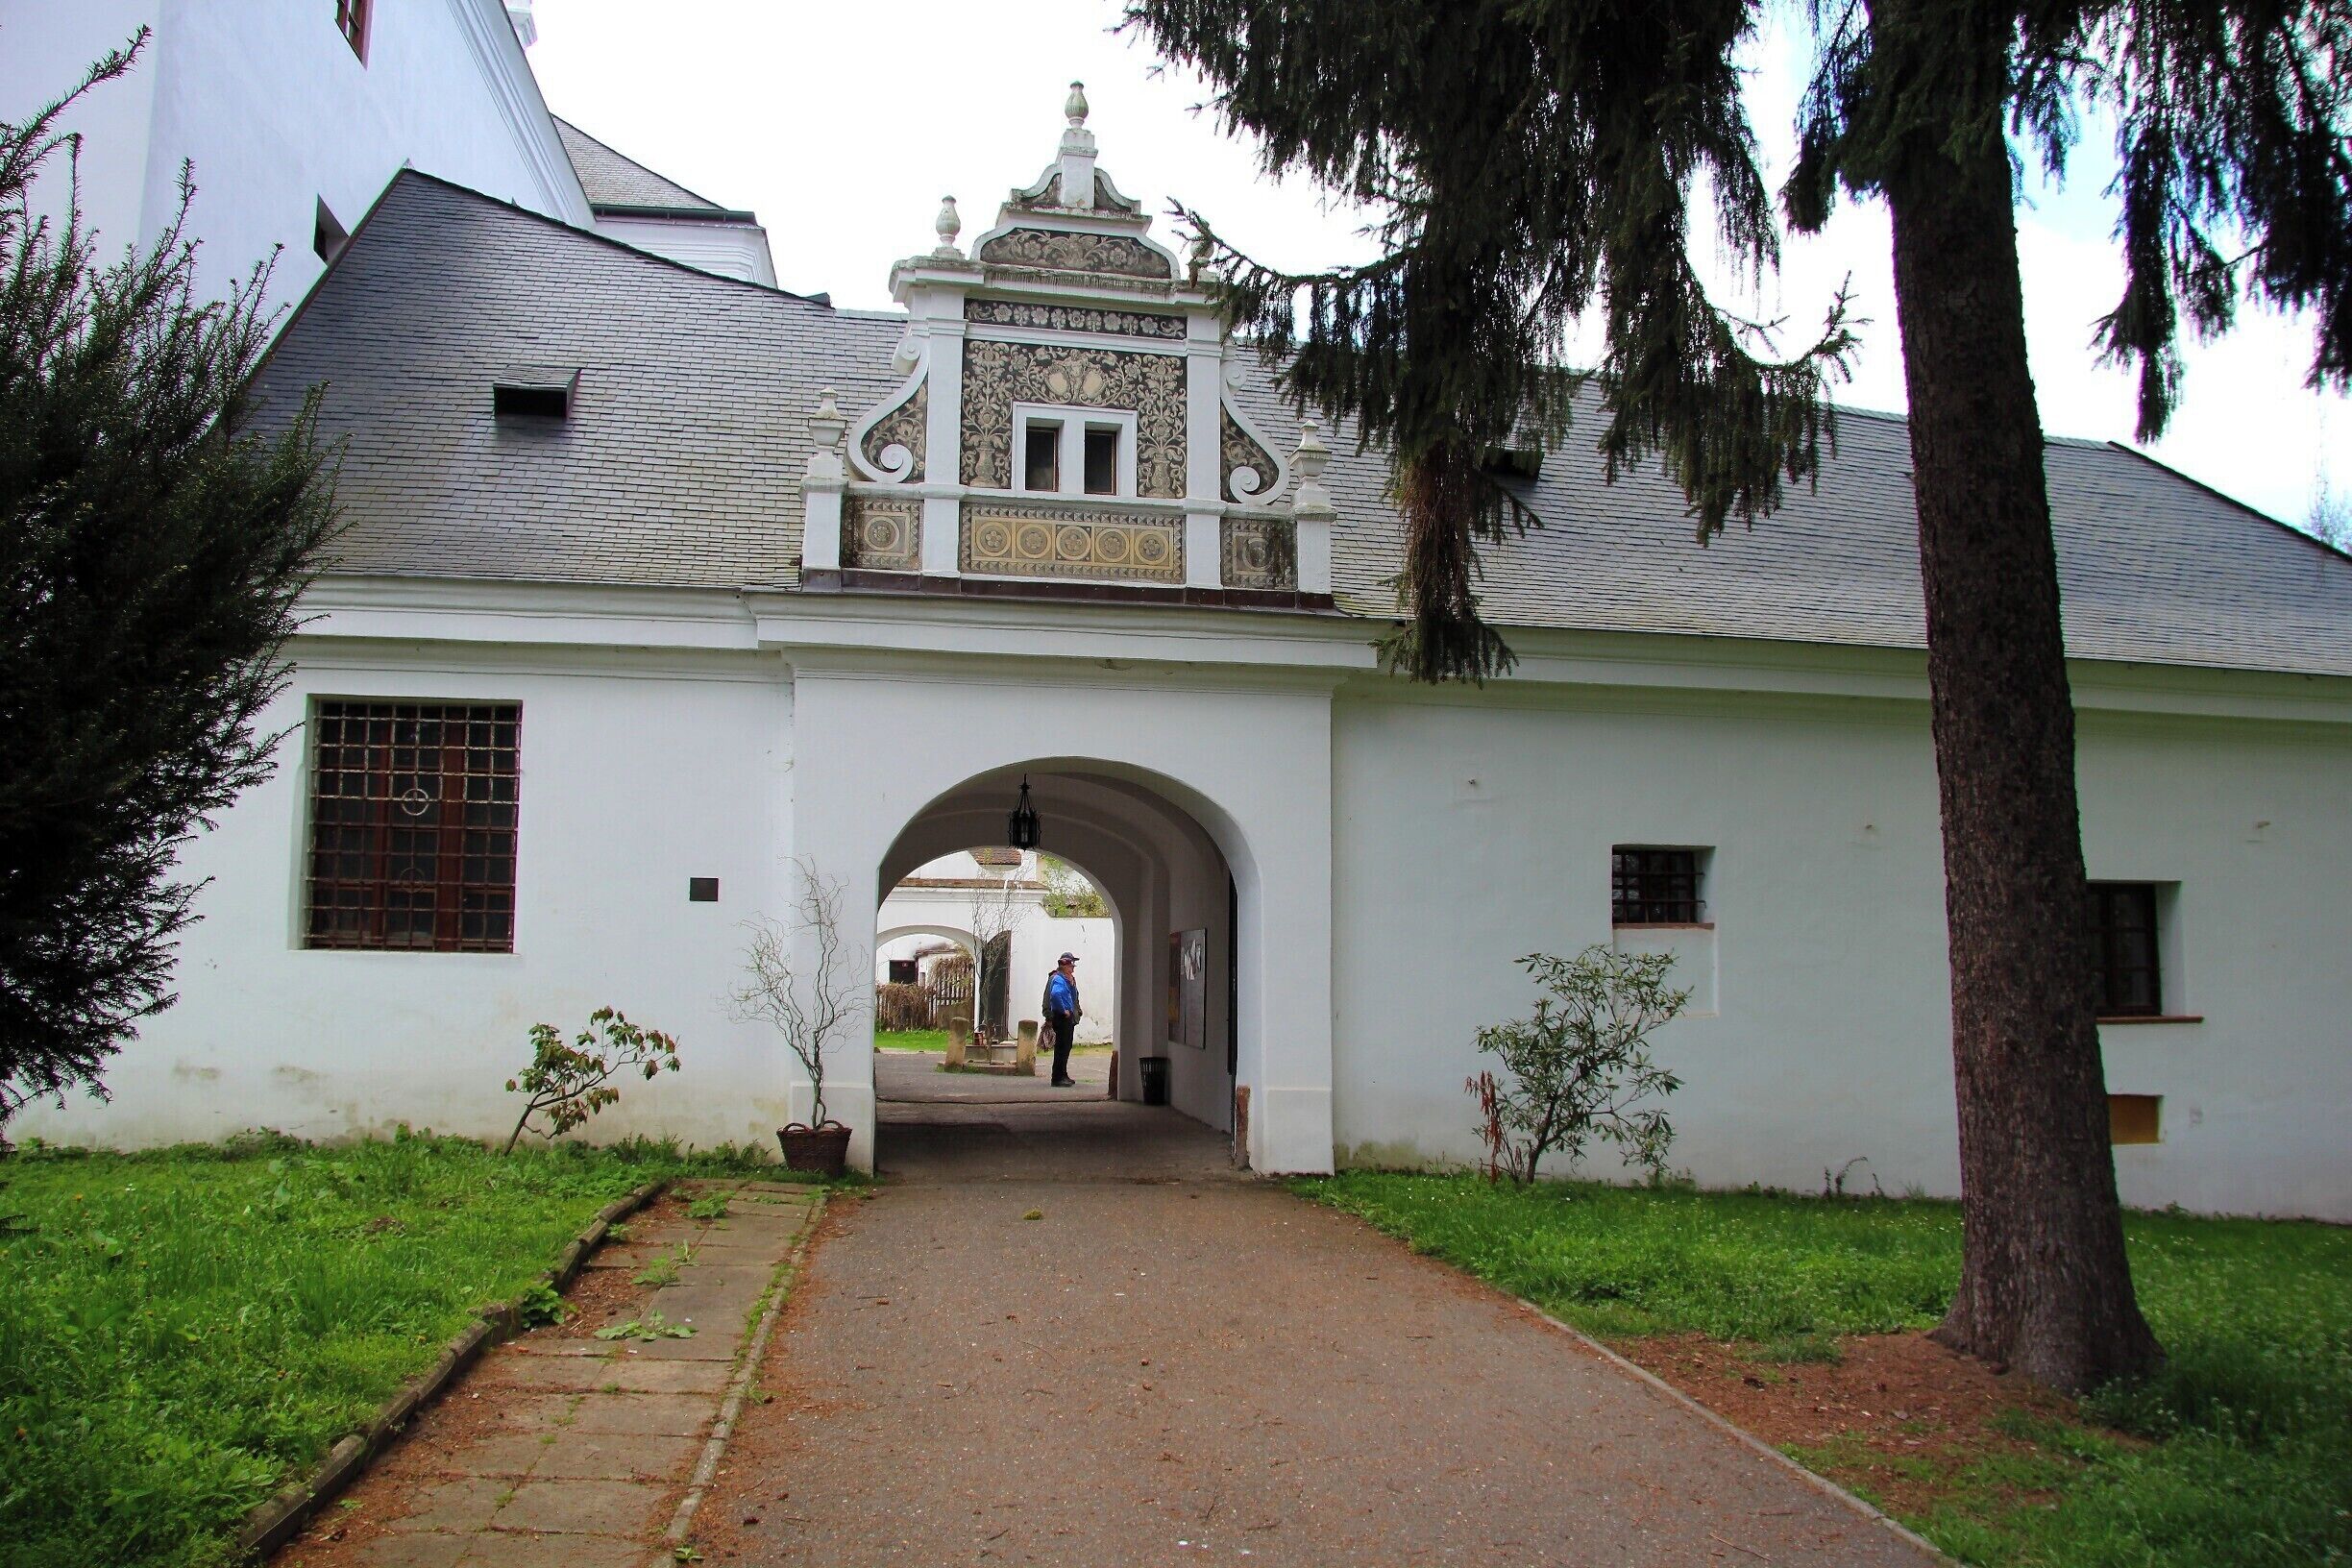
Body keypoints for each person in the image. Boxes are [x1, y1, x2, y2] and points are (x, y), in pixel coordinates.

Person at [1042, 952, 1081, 1087]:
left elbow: (1072, 997)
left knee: (1066, 1047)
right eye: (1071, 965)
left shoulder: (1067, 979)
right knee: (1062, 1048)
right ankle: (1058, 1077)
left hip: (1068, 1017)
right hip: (1061, 1017)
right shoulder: (1057, 978)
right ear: (1065, 966)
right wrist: (1057, 1013)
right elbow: (1053, 995)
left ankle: (1063, 1075)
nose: (1073, 968)